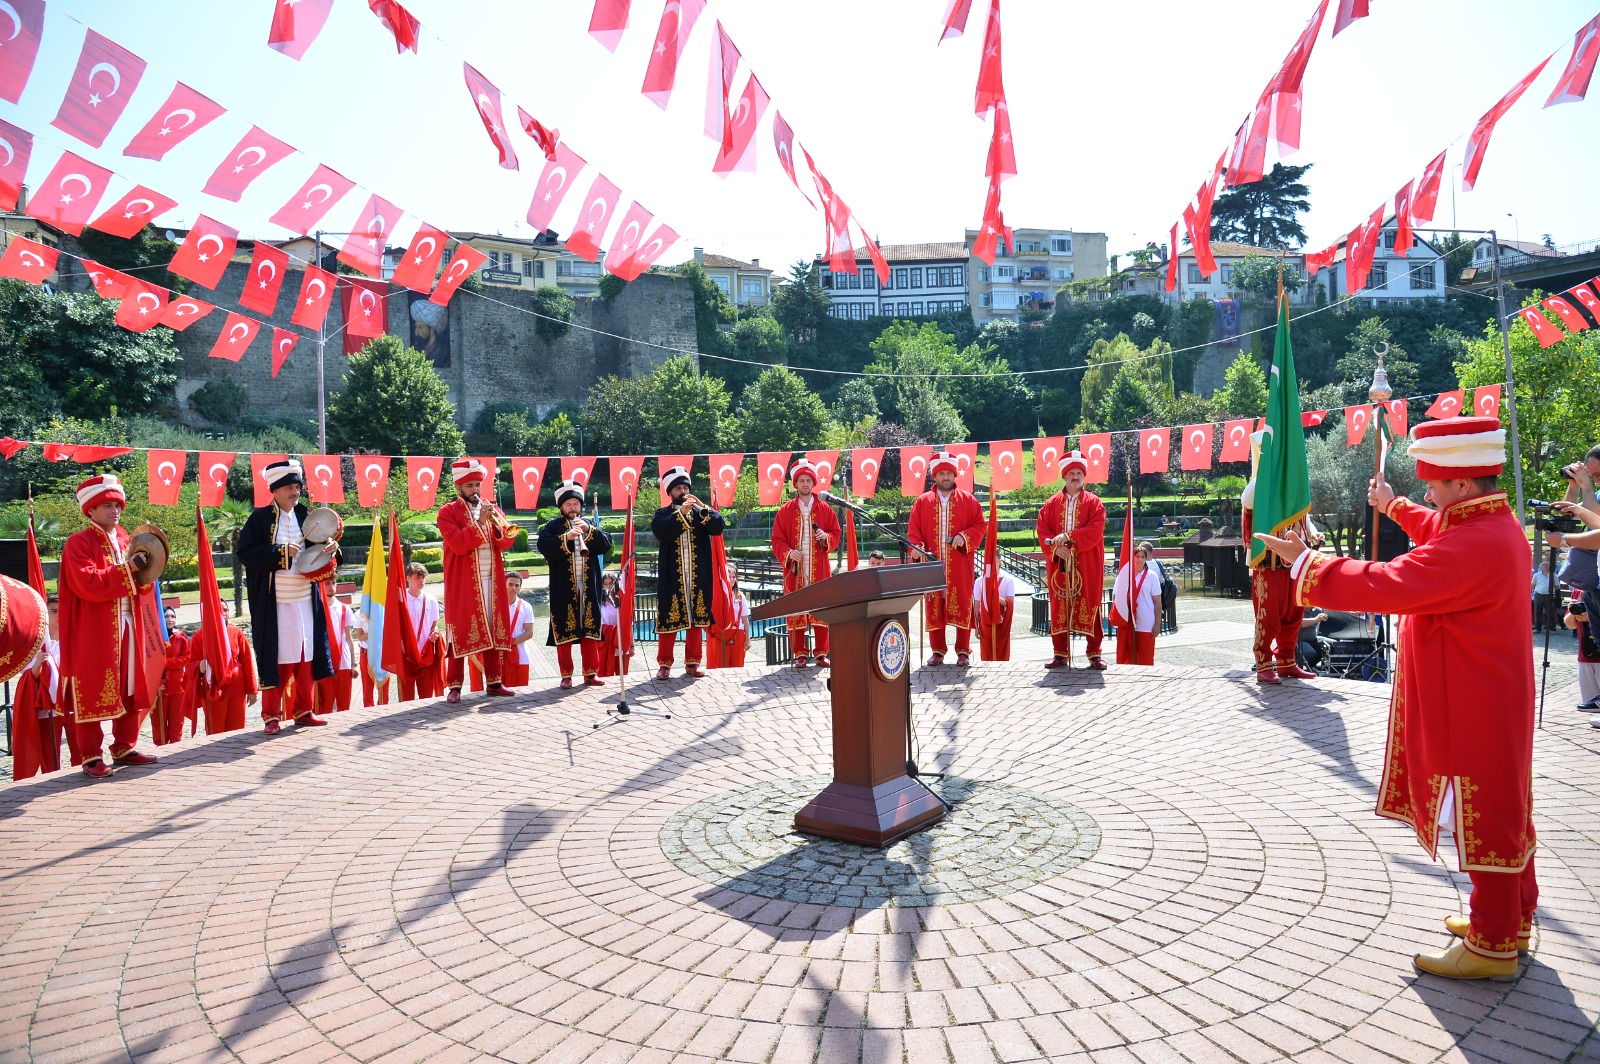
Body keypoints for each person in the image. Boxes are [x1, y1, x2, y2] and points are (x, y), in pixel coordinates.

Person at [1256, 416, 1537, 981]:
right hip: (1487, 694)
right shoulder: (1490, 525)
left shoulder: (1469, 545)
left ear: (1460, 484)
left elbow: (1385, 583)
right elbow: (1437, 530)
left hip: (1470, 704)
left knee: (1483, 812)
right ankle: (1512, 916)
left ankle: (1492, 943)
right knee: (1504, 807)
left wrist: (1305, 563)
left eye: (1434, 484)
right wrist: (1395, 505)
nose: (1428, 493)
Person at [58, 474, 160, 778]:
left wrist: (146, 573)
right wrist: (129, 568)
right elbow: (87, 583)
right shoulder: (78, 543)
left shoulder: (128, 538)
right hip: (94, 629)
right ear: (90, 510)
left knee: (130, 683)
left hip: (130, 621)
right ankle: (90, 756)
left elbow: (142, 582)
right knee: (92, 688)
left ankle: (124, 746)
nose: (114, 510)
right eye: (106, 505)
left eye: (117, 504)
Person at [236, 459, 339, 734]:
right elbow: (245, 553)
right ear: (275, 490)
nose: (295, 492)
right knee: (279, 656)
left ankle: (304, 710)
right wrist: (280, 553)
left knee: (306, 654)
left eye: (297, 487)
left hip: (306, 597)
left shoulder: (306, 514)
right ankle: (271, 715)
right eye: (290, 487)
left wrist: (331, 547)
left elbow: (320, 548)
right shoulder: (259, 519)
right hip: (275, 601)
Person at [437, 458, 520, 702]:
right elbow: (458, 544)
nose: (475, 490)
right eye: (470, 486)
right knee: (460, 631)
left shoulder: (490, 508)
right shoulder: (447, 512)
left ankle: (494, 682)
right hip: (463, 583)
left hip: (491, 580)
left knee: (493, 628)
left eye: (477, 485)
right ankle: (454, 687)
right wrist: (481, 522)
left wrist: (495, 526)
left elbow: (506, 541)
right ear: (459, 488)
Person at [1242, 431, 1320, 684]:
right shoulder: (1260, 485)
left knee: (1294, 613)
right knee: (1269, 615)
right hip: (1269, 562)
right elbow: (1248, 500)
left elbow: (1303, 516)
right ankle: (1264, 663)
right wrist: (1266, 470)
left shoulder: (1294, 486)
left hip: (1295, 562)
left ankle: (1287, 661)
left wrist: (1313, 531)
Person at [908, 451, 985, 667]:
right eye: (941, 473)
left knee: (961, 602)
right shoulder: (922, 502)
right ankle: (937, 651)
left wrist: (964, 536)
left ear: (954, 475)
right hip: (932, 564)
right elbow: (914, 530)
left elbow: (980, 525)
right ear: (934, 476)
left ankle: (963, 651)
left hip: (959, 564)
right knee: (934, 605)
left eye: (948, 473)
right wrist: (917, 548)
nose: (945, 477)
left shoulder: (968, 500)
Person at [651, 465, 726, 679]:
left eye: (685, 487)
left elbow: (718, 527)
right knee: (669, 619)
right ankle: (664, 664)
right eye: (678, 489)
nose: (683, 492)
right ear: (670, 492)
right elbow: (662, 532)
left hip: (697, 576)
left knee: (696, 619)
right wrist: (682, 513)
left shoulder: (699, 512)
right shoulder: (662, 514)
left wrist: (703, 507)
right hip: (672, 578)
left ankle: (693, 662)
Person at [1035, 450, 1107, 670]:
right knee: (1059, 605)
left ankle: (1094, 653)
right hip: (1060, 565)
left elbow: (1095, 530)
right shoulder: (1051, 504)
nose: (1075, 477)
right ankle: (1060, 653)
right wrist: (1055, 549)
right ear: (1064, 476)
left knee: (1090, 602)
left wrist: (1069, 537)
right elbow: (1042, 530)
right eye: (1071, 473)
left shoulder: (1094, 503)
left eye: (1079, 473)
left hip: (1087, 562)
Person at [537, 480, 611, 688]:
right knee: (565, 629)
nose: (572, 508)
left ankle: (590, 673)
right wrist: (566, 538)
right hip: (563, 588)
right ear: (561, 506)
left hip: (588, 587)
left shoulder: (589, 524)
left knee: (589, 629)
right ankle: (566, 675)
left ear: (581, 505)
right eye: (568, 504)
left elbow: (606, 544)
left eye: (575, 504)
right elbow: (545, 548)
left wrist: (589, 530)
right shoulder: (551, 527)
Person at [771, 459, 840, 668]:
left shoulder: (826, 508)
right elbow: (777, 539)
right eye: (801, 480)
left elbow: (836, 534)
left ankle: (821, 653)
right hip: (796, 569)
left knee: (821, 609)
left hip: (819, 567)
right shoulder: (785, 510)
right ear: (795, 483)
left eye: (808, 480)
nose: (805, 484)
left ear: (813, 482)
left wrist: (825, 538)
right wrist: (788, 553)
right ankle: (800, 653)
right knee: (796, 609)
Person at [200, 619, 259, 733]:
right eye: (220, 610)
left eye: (226, 610)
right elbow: (190, 664)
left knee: (236, 731)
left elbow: (247, 662)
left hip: (237, 691)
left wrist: (252, 690)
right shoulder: (200, 635)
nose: (223, 613)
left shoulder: (236, 633)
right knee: (215, 732)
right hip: (213, 692)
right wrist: (199, 667)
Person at [1110, 541, 1163, 666]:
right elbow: (1116, 598)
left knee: (1146, 659)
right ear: (1132, 558)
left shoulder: (1151, 576)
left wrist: (1157, 624)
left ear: (1146, 558)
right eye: (1137, 556)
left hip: (1146, 622)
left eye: (1143, 557)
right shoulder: (1123, 576)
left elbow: (1157, 601)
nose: (1140, 559)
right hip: (1127, 622)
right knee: (1127, 659)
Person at [397, 562, 442, 701]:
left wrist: (435, 633)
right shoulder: (400, 601)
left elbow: (434, 625)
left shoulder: (432, 600)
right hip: (407, 655)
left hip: (426, 654)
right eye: (417, 577)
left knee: (426, 697)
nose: (421, 580)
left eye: (423, 577)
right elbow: (395, 628)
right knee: (406, 698)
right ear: (408, 578)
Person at [154, 602, 194, 745]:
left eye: (173, 616)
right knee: (159, 724)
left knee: (177, 722)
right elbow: (151, 662)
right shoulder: (154, 638)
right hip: (158, 688)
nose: (170, 619)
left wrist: (165, 663)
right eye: (166, 616)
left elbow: (186, 658)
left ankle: (175, 749)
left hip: (178, 687)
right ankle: (160, 749)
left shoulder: (181, 637)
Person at [315, 593, 361, 714]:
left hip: (344, 662)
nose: (331, 586)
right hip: (326, 663)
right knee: (325, 707)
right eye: (328, 583)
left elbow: (349, 638)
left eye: (333, 583)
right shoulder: (317, 607)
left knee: (344, 706)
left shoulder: (344, 608)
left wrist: (353, 664)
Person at [1562, 591, 1600, 713]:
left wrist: (1591, 616)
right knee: (1590, 704)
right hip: (1584, 654)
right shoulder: (1578, 590)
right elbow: (1571, 625)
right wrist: (1573, 612)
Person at [707, 561, 750, 668]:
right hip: (721, 634)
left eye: (733, 576)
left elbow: (745, 619)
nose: (731, 579)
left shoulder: (740, 596)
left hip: (737, 634)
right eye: (729, 576)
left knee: (738, 666)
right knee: (719, 666)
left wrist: (748, 639)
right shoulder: (716, 596)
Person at [971, 565, 1015, 662]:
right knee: (986, 654)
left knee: (1001, 652)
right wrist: (977, 627)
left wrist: (996, 599)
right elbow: (977, 605)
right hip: (985, 623)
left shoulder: (1008, 580)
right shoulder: (979, 581)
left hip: (1001, 622)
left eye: (995, 560)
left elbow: (1010, 602)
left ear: (1000, 561)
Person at [503, 571, 535, 689]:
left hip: (521, 655)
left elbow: (529, 632)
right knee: (498, 695)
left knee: (521, 691)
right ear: (504, 585)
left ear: (520, 588)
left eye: (517, 585)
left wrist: (511, 642)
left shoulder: (526, 606)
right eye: (510, 584)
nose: (514, 588)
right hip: (501, 654)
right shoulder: (496, 606)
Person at [596, 573, 631, 677]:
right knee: (607, 674)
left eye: (610, 583)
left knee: (622, 674)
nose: (608, 586)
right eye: (605, 584)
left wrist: (632, 645)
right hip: (606, 642)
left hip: (620, 640)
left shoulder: (620, 600)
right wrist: (613, 631)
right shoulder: (599, 602)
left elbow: (628, 623)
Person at [1297, 607, 1330, 673]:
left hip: (1313, 640)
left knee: (1330, 647)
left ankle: (1311, 667)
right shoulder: (1298, 610)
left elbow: (1335, 614)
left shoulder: (1318, 610)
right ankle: (1303, 667)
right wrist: (1316, 619)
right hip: (1299, 642)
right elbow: (1299, 623)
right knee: (1311, 653)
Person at [1532, 560, 1557, 632]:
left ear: (1550, 566)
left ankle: (1552, 628)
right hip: (1538, 595)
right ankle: (1537, 628)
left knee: (1550, 612)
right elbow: (1533, 585)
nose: (1545, 566)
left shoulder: (1553, 575)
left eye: (1547, 565)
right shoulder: (1536, 575)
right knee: (1537, 612)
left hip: (1549, 595)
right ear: (1541, 566)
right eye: (1544, 565)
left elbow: (1557, 586)